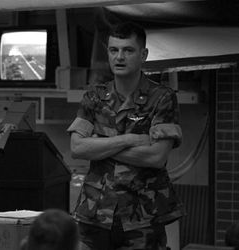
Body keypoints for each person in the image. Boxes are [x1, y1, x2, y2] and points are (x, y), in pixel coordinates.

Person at [67, 21, 185, 250]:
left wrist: (99, 146)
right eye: (114, 50)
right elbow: (77, 149)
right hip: (94, 213)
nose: (119, 57)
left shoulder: (162, 98)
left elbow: (156, 157)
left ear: (144, 54)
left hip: (142, 215)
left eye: (128, 50)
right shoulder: (94, 96)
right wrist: (129, 140)